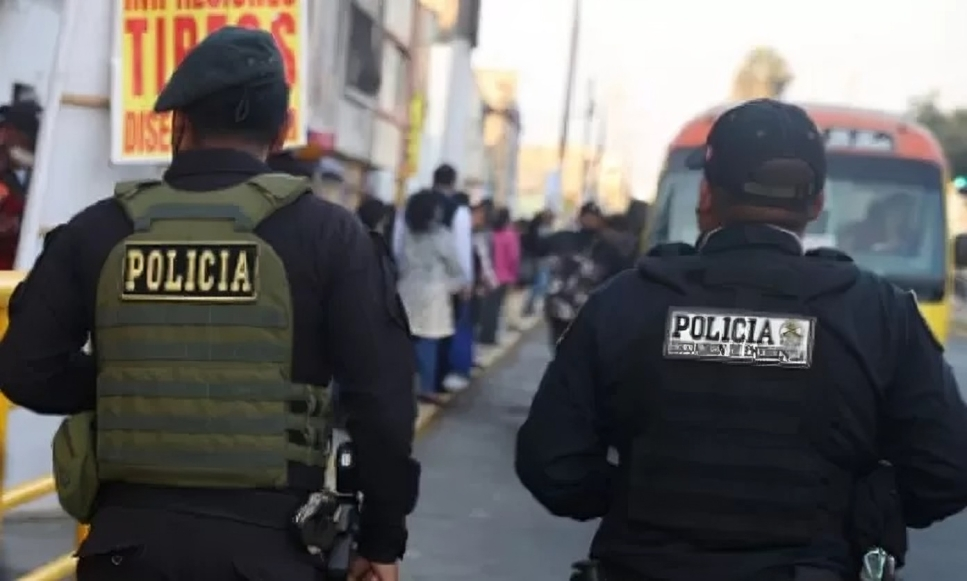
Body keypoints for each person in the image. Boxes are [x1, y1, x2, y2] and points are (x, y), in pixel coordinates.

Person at [0, 27, 418, 581]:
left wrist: (138, 384)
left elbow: (26, 370)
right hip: (275, 552)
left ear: (180, 124)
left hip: (125, 553)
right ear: (284, 131)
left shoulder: (97, 230)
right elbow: (383, 405)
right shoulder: (333, 237)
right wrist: (382, 542)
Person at [515, 99, 967, 581]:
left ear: (706, 195)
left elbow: (551, 464)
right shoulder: (880, 314)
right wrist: (851, 510)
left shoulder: (625, 302)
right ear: (815, 204)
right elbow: (947, 472)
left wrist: (635, 496)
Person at [394, 165, 474, 392]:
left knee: (404, 342)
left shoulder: (407, 228)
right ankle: (426, 388)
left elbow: (396, 251)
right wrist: (463, 283)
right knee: (428, 343)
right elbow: (458, 258)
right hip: (434, 294)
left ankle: (402, 386)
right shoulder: (447, 227)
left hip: (406, 289)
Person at [541, 201, 631, 346]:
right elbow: (535, 245)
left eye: (594, 217)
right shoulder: (563, 238)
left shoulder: (608, 247)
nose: (590, 220)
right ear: (580, 218)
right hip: (560, 307)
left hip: (588, 310)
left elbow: (620, 275)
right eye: (587, 216)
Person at [478, 206, 519, 345]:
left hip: (488, 276)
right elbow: (514, 257)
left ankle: (484, 334)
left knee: (487, 307)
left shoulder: (489, 234)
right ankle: (490, 336)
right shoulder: (510, 235)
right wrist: (514, 276)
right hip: (504, 276)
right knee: (496, 308)